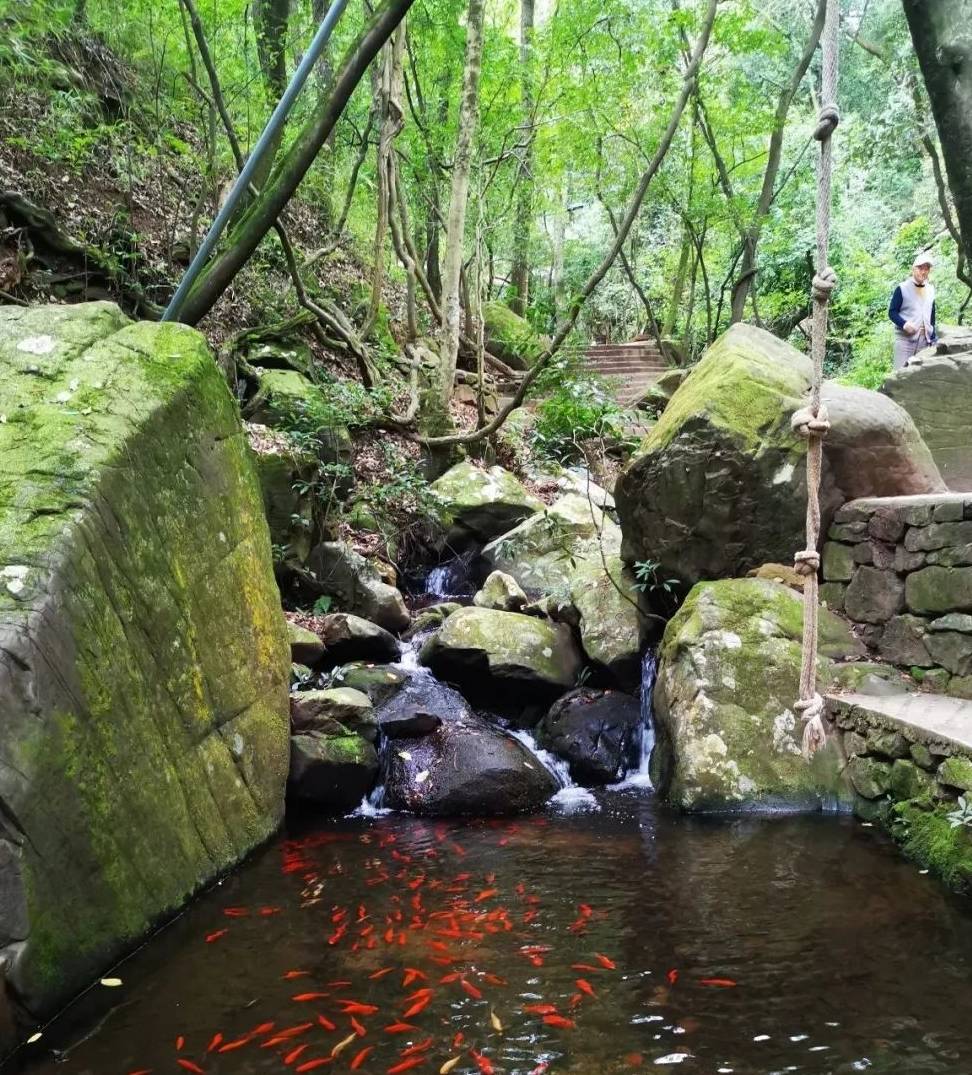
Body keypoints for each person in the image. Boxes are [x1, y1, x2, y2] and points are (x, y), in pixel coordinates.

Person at [889, 252, 937, 369]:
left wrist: (933, 336)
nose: (923, 271)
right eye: (920, 268)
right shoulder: (902, 288)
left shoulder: (931, 289)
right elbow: (892, 312)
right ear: (913, 269)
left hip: (925, 341)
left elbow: (932, 315)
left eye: (927, 268)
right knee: (900, 375)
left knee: (921, 378)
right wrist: (904, 324)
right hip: (905, 340)